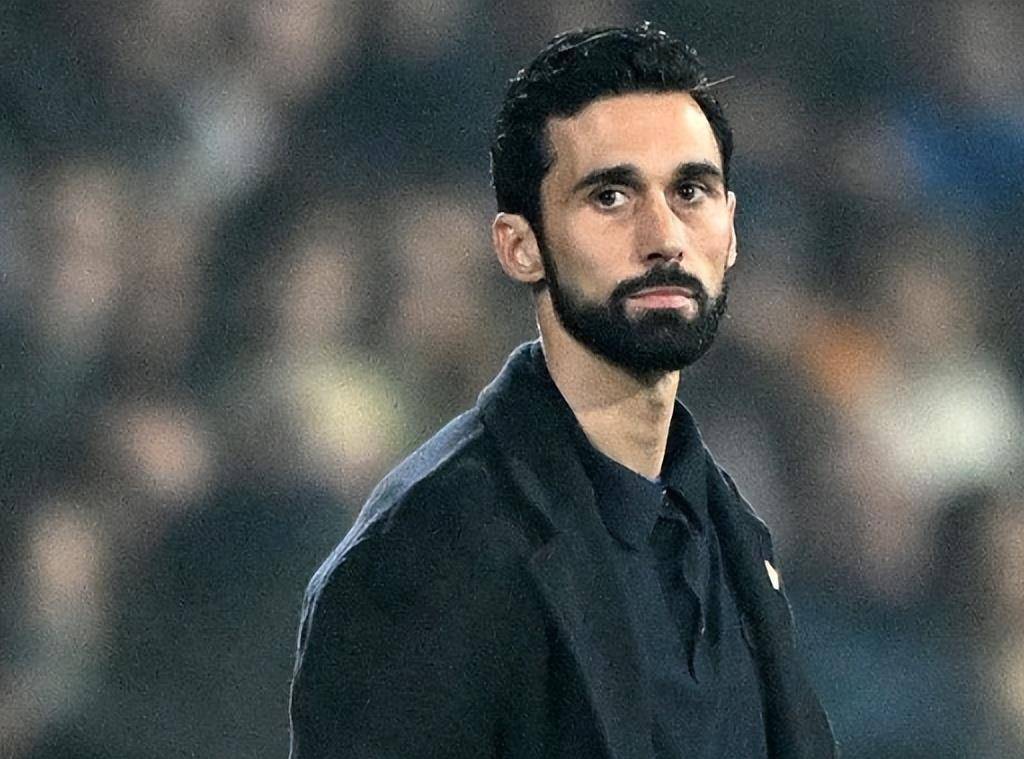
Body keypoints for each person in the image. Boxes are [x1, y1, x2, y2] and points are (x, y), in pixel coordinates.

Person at [287, 24, 836, 759]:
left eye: (690, 191)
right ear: (520, 246)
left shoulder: (734, 538)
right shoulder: (430, 547)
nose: (663, 235)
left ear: (731, 229)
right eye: (610, 196)